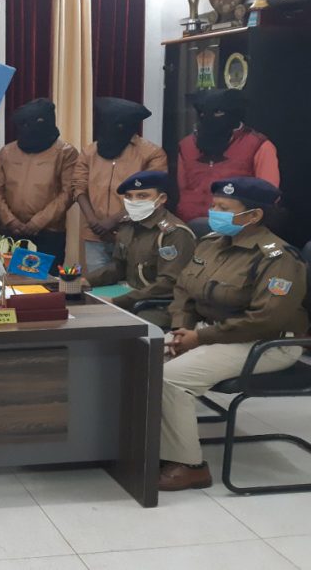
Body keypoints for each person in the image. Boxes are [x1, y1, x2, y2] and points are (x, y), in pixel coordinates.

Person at [160, 177, 308, 490]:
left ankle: (189, 466)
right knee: (138, 355)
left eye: (224, 208)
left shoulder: (278, 258)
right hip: (212, 332)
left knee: (171, 379)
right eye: (214, 205)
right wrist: (181, 328)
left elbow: (266, 319)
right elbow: (184, 288)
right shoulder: (211, 243)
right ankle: (150, 443)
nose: (214, 212)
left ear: (254, 215)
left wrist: (199, 339)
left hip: (267, 342)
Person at [84, 170, 196, 328]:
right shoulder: (128, 225)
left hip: (161, 304)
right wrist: (87, 280)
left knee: (117, 326)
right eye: (129, 196)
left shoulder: (174, 233)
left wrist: (118, 301)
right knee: (80, 306)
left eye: (142, 196)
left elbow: (168, 284)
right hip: (131, 294)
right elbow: (118, 267)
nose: (134, 201)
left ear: (161, 199)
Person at [73, 97, 167, 271]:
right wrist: (93, 221)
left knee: (130, 283)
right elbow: (78, 187)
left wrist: (112, 221)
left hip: (134, 233)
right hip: (94, 235)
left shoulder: (152, 153)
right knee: (98, 284)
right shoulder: (89, 152)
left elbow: (151, 195)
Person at [0, 99, 79, 267]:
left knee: (44, 281)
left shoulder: (65, 152)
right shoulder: (7, 152)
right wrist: (10, 220)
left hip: (48, 234)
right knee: (9, 279)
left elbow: (68, 193)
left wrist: (38, 222)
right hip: (11, 231)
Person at [176, 89, 280, 223]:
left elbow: (268, 195)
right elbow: (182, 188)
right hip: (189, 226)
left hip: (236, 228)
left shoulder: (258, 146)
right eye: (203, 113)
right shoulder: (187, 146)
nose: (209, 118)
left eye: (218, 112)